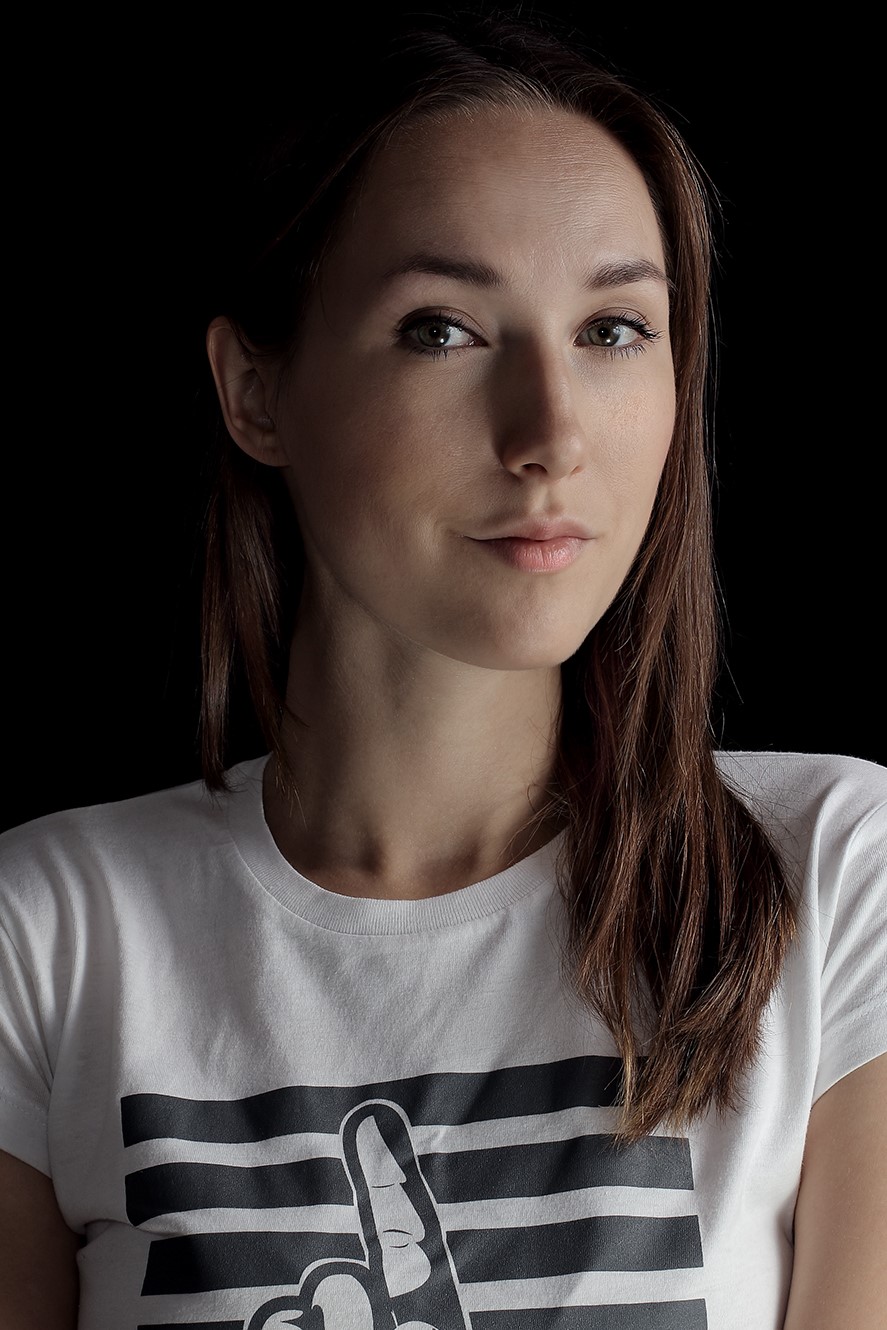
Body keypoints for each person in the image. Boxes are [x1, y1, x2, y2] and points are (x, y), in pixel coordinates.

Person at [1, 11, 884, 1328]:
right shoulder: (50, 933)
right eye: (443, 330)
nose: (550, 433)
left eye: (614, 329)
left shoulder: (833, 870)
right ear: (255, 390)